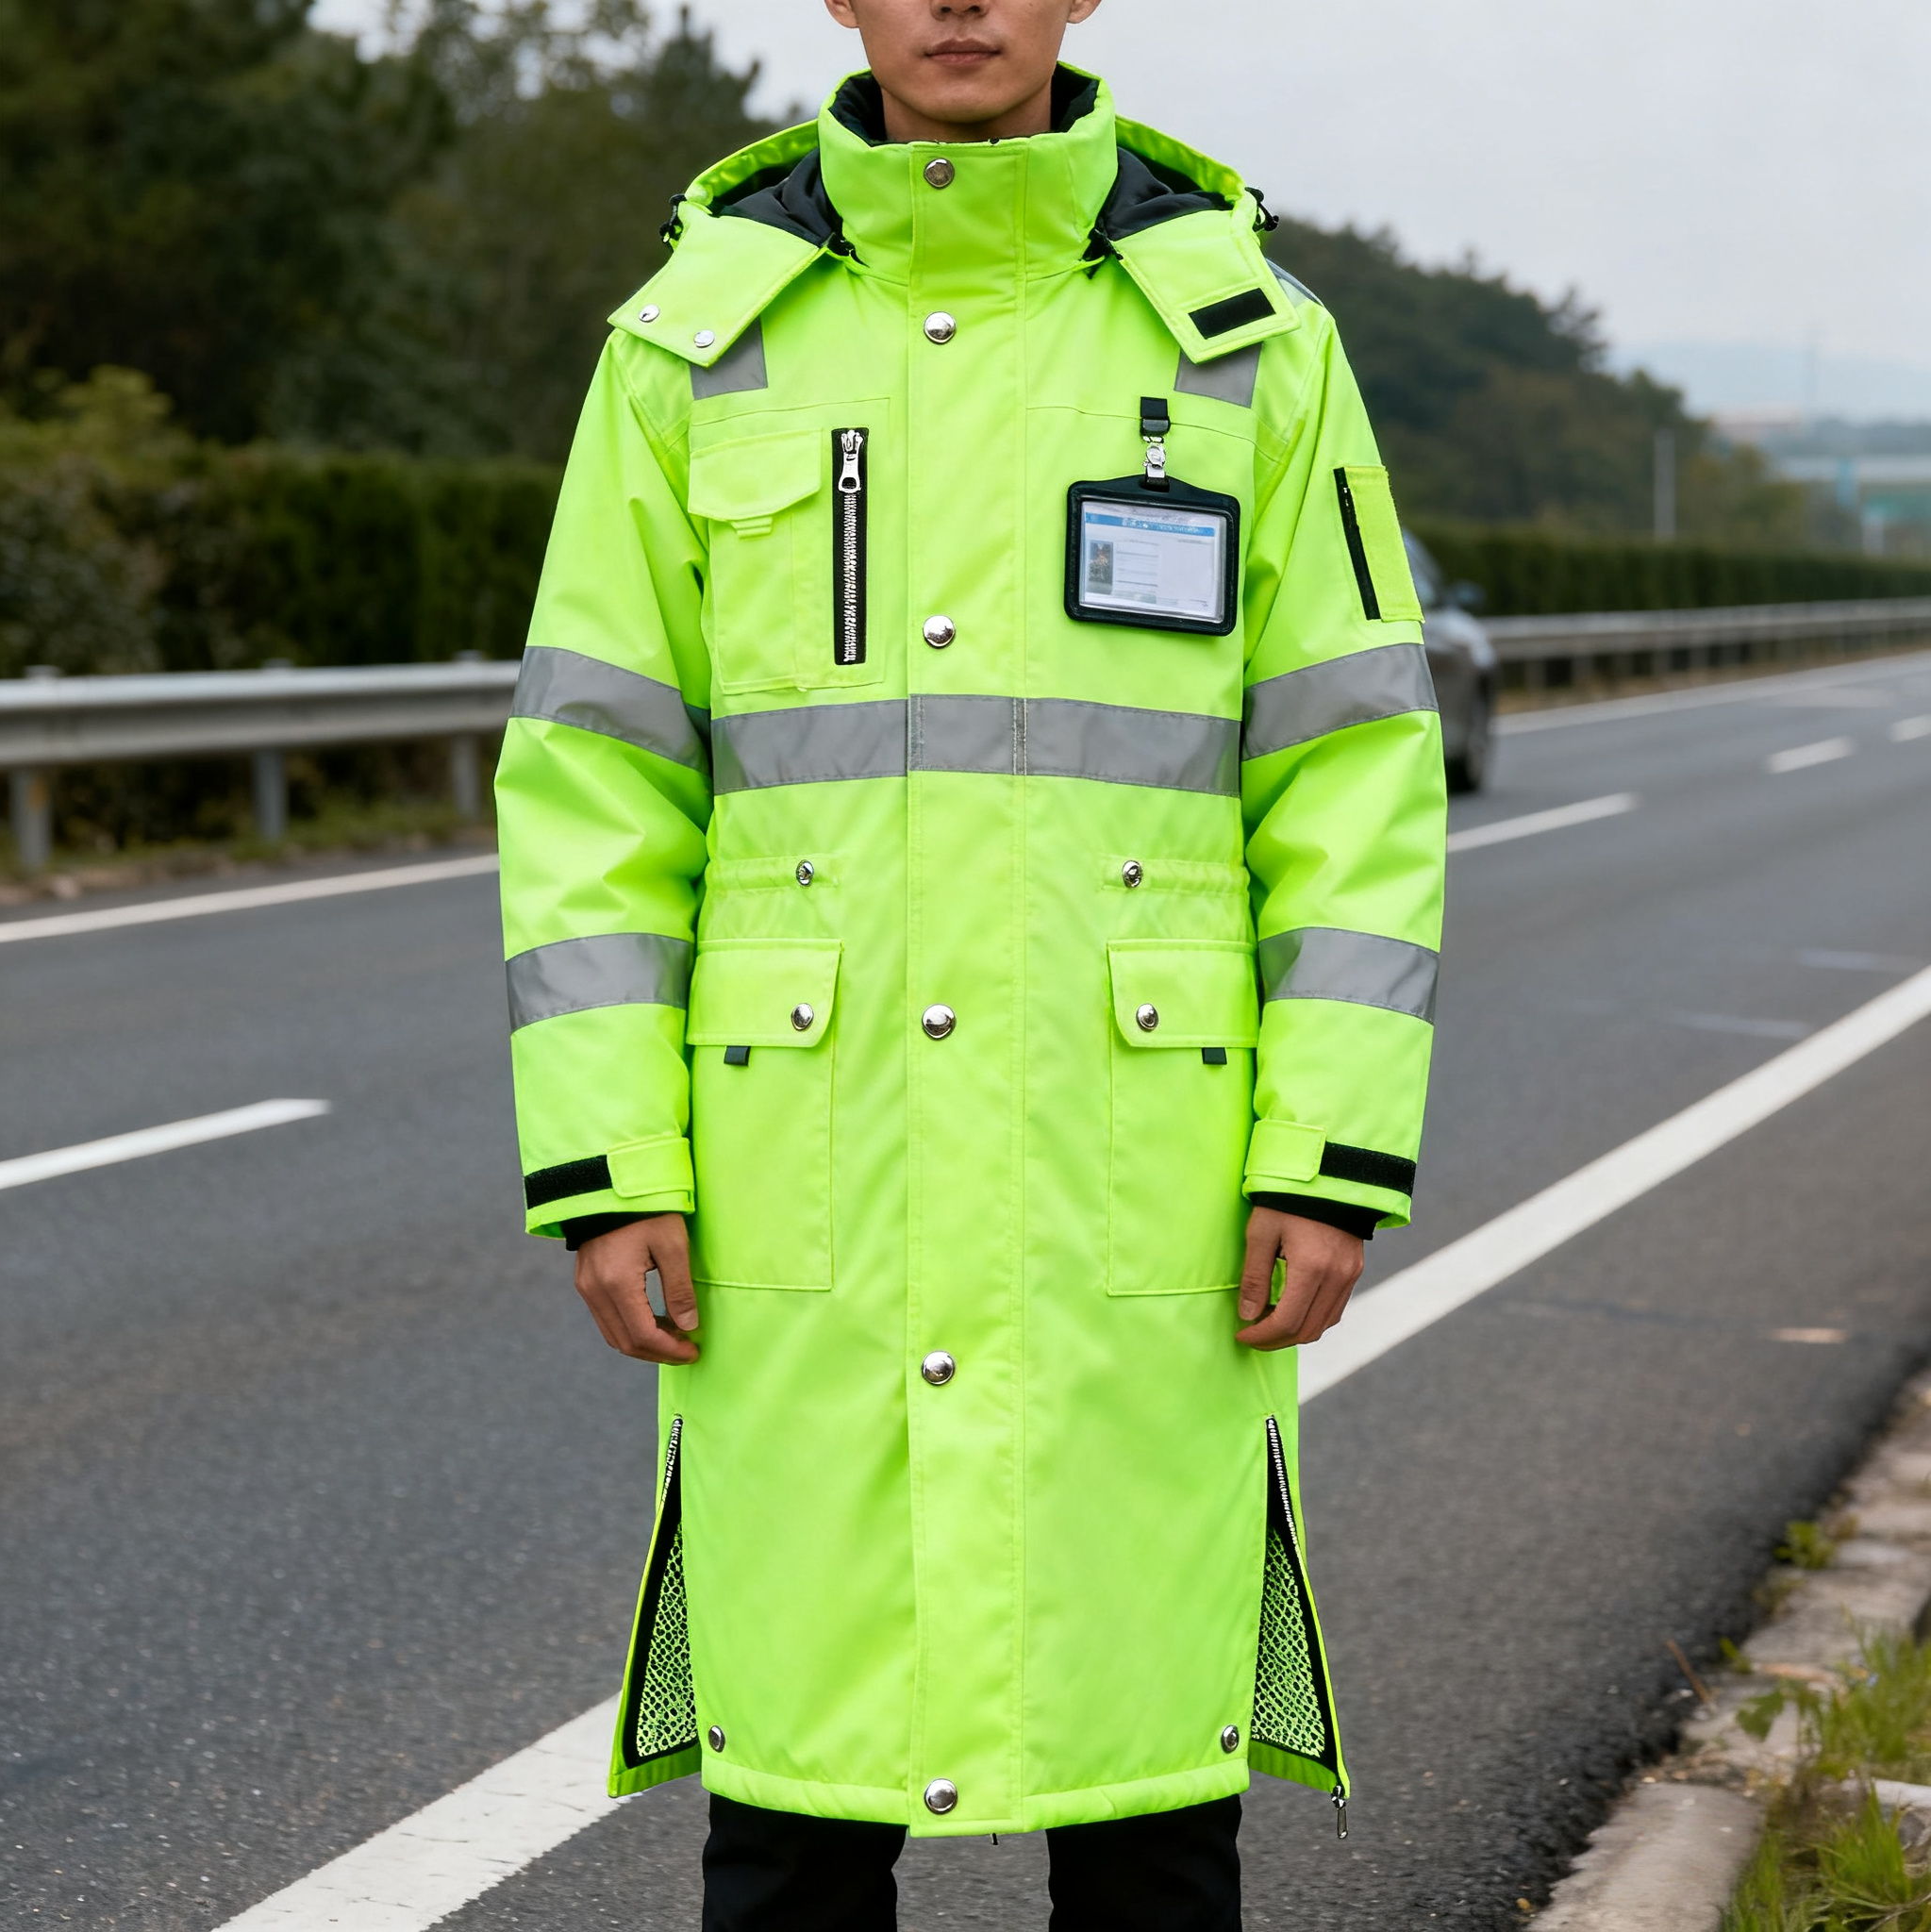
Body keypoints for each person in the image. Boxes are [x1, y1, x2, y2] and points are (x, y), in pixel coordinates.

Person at [494, 0, 1446, 1924]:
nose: (955, 3)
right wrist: (610, 1170)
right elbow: (594, 781)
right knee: (790, 1810)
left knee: (1152, 1807)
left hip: (1143, 1186)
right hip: (799, 1182)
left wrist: (1323, 1154)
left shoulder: (1245, 340)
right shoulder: (698, 339)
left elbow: (1350, 769)